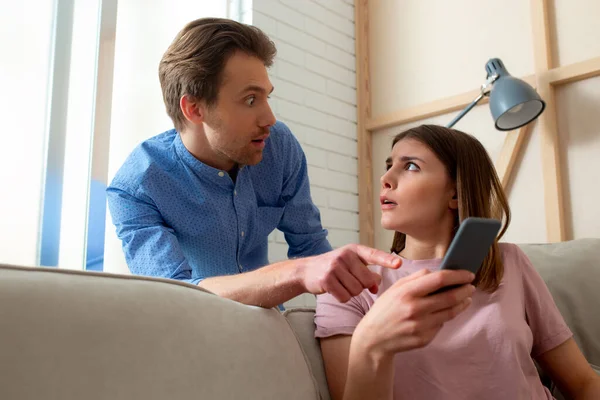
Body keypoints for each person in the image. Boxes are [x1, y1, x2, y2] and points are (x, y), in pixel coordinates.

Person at [107, 18, 472, 309]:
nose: (270, 118)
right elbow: (177, 296)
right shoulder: (137, 187)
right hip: (193, 335)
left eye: (266, 97)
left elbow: (311, 246)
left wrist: (375, 299)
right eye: (250, 100)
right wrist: (299, 273)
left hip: (268, 328)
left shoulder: (278, 147)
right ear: (194, 108)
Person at [314, 124, 600, 399]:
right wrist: (372, 344)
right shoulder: (350, 286)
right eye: (389, 165)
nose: (385, 178)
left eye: (410, 166)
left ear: (455, 193)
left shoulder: (508, 262)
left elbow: (582, 383)